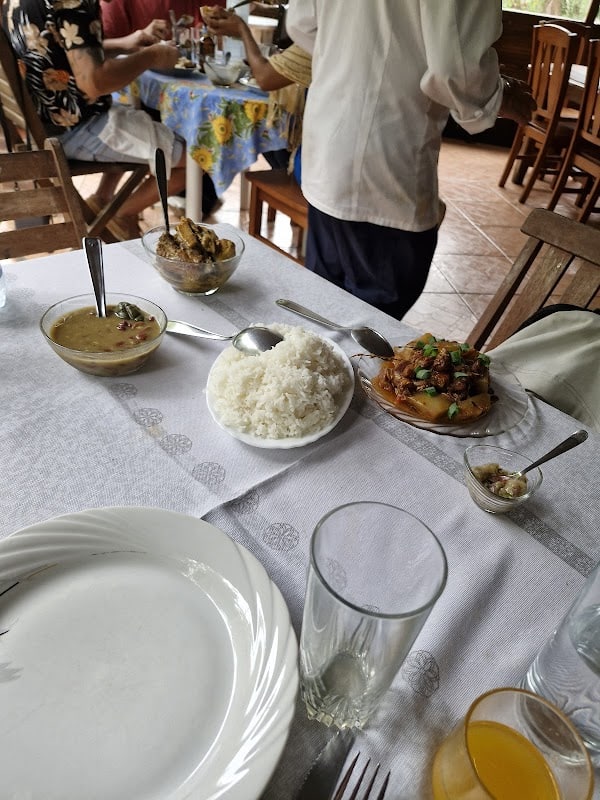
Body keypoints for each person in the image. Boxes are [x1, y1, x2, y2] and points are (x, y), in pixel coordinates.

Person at [286, 2, 536, 321]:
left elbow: (301, 24)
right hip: (388, 164)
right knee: (374, 322)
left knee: (325, 310)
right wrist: (501, 95)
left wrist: (351, 63)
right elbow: (454, 68)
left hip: (327, 149)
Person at [2, 0, 188, 240]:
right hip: (71, 129)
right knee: (194, 160)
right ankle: (119, 217)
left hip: (39, 128)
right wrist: (152, 56)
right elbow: (94, 82)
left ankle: (101, 199)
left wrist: (125, 44)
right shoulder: (73, 2)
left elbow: (63, 49)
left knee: (135, 118)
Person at [203, 5, 311, 174]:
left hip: (315, 165)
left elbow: (265, 77)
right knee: (273, 142)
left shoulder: (317, 40)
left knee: (273, 136)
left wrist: (242, 29)